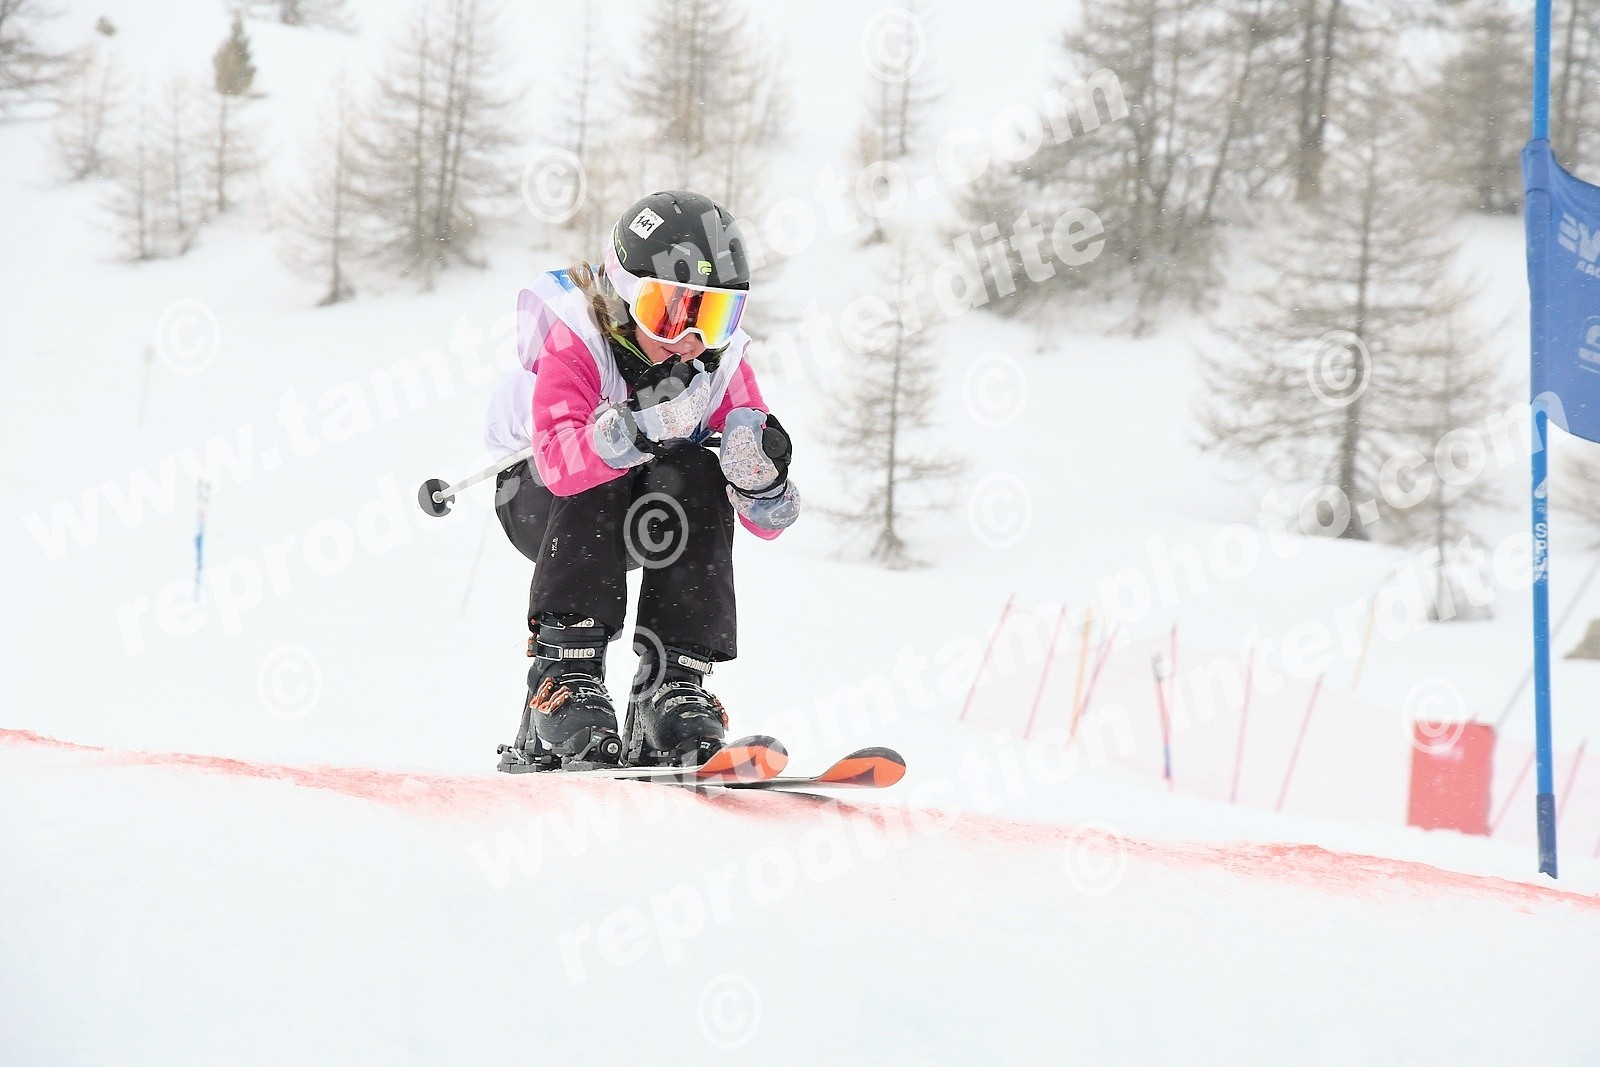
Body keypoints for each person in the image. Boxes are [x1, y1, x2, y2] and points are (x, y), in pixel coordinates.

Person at [484, 190, 799, 771]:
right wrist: (637, 429)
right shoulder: (578, 338)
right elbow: (557, 463)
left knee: (699, 469)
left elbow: (767, 524)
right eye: (672, 312)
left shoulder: (718, 366)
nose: (689, 338)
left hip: (643, 518)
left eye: (714, 317)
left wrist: (759, 481)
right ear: (627, 296)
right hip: (538, 503)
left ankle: (671, 687)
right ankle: (564, 676)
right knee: (602, 462)